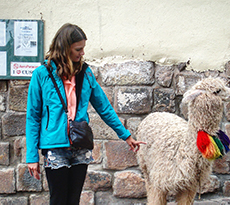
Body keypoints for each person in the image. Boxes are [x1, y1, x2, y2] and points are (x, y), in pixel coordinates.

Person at [26, 23, 146, 205]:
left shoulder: (85, 73)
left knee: (73, 200)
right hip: (54, 148)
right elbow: (33, 117)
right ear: (65, 48)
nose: (82, 53)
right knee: (58, 200)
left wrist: (126, 135)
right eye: (78, 49)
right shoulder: (41, 75)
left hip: (80, 145)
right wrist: (32, 156)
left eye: (83, 49)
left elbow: (104, 107)